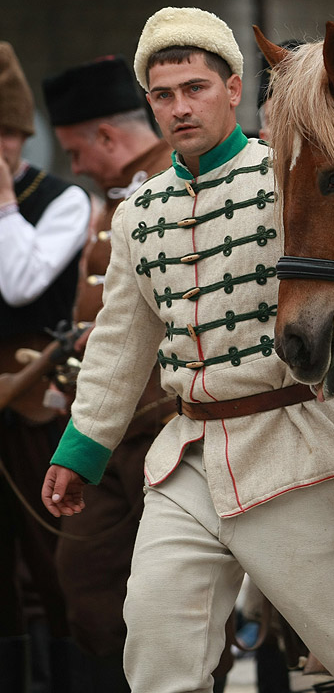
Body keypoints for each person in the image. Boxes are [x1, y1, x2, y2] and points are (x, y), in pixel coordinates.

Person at [39, 6, 334, 693]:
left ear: (231, 89)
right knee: (157, 646)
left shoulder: (289, 172)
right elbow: (118, 345)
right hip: (187, 458)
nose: (179, 107)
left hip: (294, 445)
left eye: (195, 87)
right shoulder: (139, 213)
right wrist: (81, 449)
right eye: (162, 95)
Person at [41, 53, 180, 691]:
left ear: (105, 137)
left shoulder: (177, 183)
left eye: (75, 152)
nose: (73, 168)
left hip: (166, 424)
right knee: (87, 577)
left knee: (176, 594)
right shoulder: (112, 202)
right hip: (111, 429)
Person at [0, 40, 92, 692]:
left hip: (36, 402)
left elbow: (19, 283)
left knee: (53, 562)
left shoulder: (62, 199)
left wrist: (4, 203)